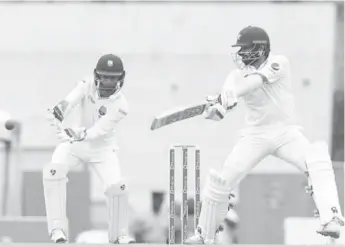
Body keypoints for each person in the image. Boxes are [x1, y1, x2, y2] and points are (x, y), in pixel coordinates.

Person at [185, 26, 344, 244]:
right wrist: (216, 109)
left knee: (317, 159)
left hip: (287, 132)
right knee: (222, 179)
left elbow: (256, 81)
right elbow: (222, 108)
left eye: (245, 49)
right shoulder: (235, 76)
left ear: (260, 50)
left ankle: (332, 218)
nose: (241, 54)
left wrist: (234, 92)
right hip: (254, 136)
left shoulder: (279, 63)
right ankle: (204, 235)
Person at [43, 54, 135, 244]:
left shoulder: (121, 105)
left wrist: (81, 134)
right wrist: (59, 111)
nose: (108, 81)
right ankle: (57, 229)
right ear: (96, 75)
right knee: (53, 171)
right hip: (75, 145)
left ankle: (119, 234)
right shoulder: (86, 85)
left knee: (117, 188)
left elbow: (100, 129)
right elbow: (71, 100)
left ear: (121, 78)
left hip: (102, 151)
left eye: (113, 77)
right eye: (104, 76)